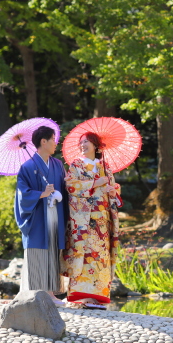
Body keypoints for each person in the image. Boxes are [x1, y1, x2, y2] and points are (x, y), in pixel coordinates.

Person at [61, 132, 121, 309]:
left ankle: (98, 297)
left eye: (86, 141)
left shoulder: (105, 166)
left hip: (103, 221)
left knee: (101, 258)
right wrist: (95, 183)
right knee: (85, 256)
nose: (82, 145)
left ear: (96, 145)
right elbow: (71, 186)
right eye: (81, 142)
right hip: (84, 222)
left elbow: (114, 190)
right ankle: (82, 297)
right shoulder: (76, 165)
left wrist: (112, 192)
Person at [14, 125, 68, 306]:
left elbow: (66, 187)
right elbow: (22, 194)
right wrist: (41, 194)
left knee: (52, 250)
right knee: (38, 251)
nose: (55, 143)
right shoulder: (27, 167)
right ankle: (37, 295)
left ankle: (51, 294)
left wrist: (63, 191)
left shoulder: (57, 165)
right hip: (37, 217)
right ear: (43, 141)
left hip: (55, 214)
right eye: (53, 139)